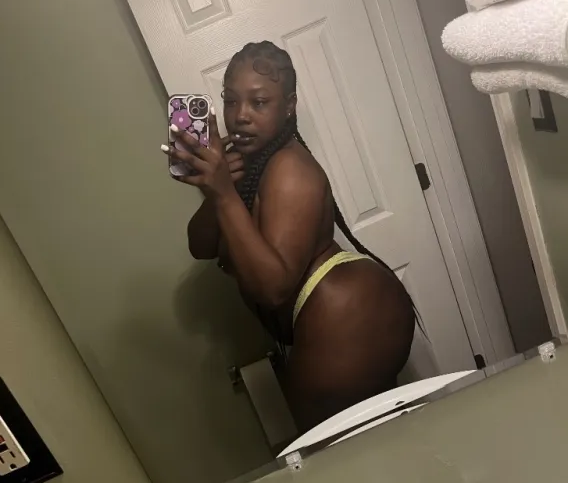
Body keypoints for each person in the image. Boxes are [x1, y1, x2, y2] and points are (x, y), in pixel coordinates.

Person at [169, 41, 416, 433]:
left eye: (259, 102)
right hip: (330, 315)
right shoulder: (246, 167)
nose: (240, 116)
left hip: (348, 313)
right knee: (364, 445)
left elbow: (273, 288)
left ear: (289, 105)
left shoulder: (290, 170)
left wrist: (225, 194)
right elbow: (201, 247)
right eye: (231, 101)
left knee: (335, 449)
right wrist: (215, 191)